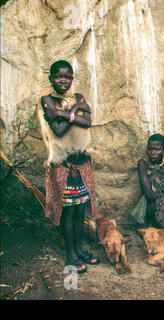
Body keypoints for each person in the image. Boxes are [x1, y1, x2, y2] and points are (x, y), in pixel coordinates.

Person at [37, 60, 99, 274]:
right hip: (63, 164)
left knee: (80, 208)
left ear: (72, 78)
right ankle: (71, 254)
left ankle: (79, 249)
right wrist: (75, 111)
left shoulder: (78, 97)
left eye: (67, 76)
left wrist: (65, 113)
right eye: (58, 76)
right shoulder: (47, 99)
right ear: (51, 78)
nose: (63, 80)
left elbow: (87, 121)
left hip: (81, 164)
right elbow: (59, 130)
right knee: (68, 211)